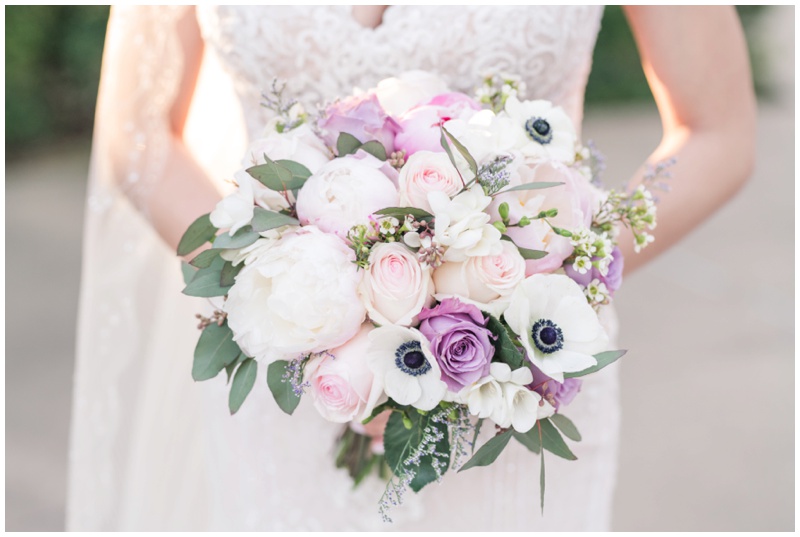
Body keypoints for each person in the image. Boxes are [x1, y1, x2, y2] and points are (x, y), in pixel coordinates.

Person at [67, 6, 756, 531]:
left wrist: (547, 284)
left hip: (512, 394)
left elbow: (717, 131)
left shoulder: (520, 338)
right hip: (289, 384)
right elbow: (138, 137)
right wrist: (287, 302)